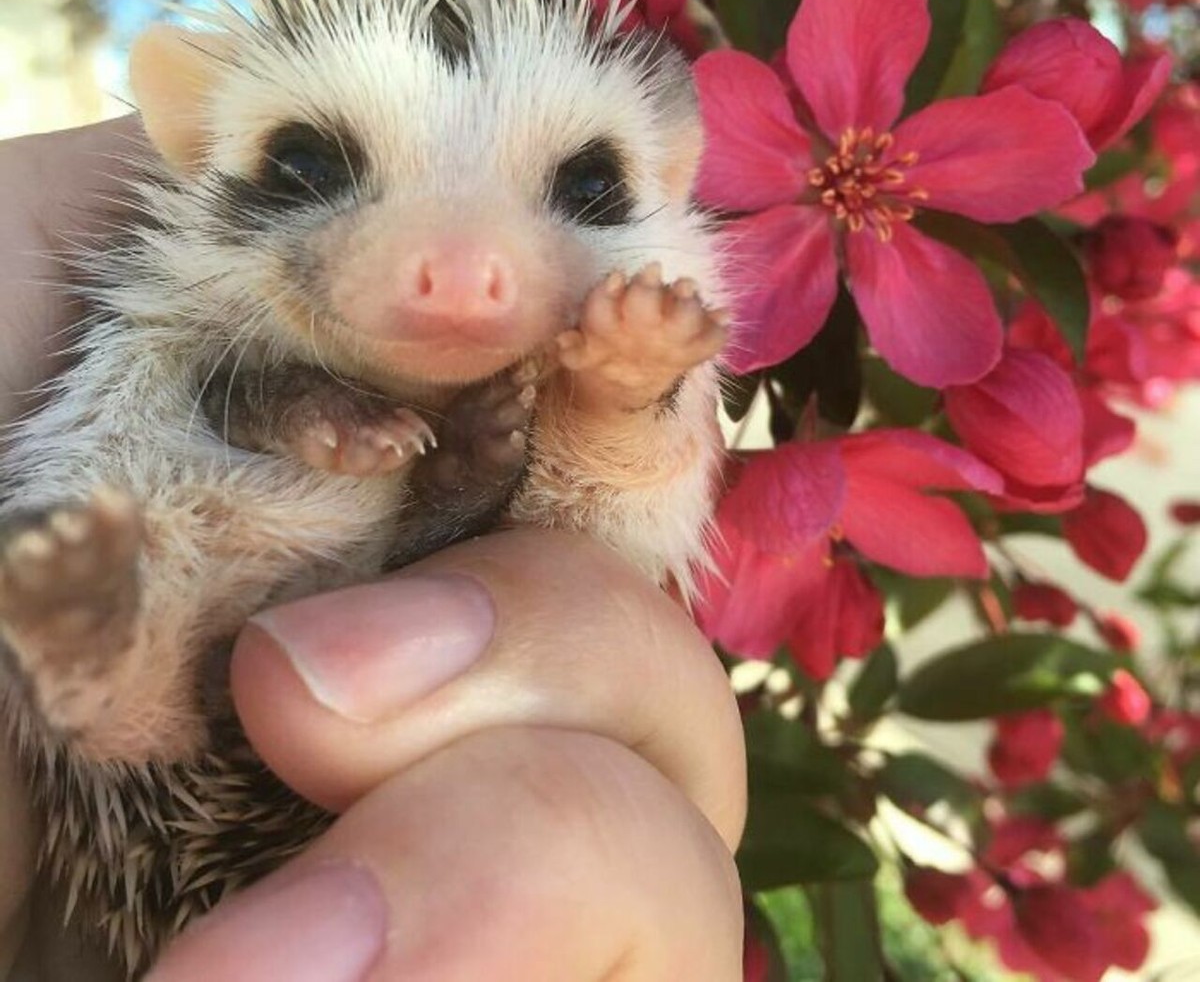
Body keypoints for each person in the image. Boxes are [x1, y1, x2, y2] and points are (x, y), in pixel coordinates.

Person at [0, 119, 746, 982]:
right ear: (194, 131)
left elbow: (613, 500)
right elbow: (202, 384)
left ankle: (466, 497)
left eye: (583, 188)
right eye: (313, 166)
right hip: (165, 683)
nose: (463, 272)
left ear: (674, 176)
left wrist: (621, 400)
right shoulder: (196, 285)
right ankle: (456, 502)